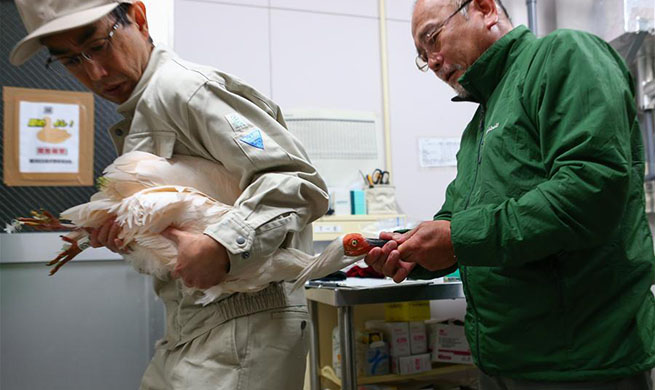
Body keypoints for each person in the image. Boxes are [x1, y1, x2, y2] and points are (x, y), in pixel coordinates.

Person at [10, 1, 329, 389]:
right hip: (190, 325)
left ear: (139, 19)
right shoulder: (140, 111)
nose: (94, 72)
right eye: (70, 61)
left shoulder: (183, 90)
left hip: (243, 325)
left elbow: (295, 179)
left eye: (97, 46)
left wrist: (224, 246)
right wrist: (135, 237)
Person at [365, 0, 655, 388]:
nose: (431, 62)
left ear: (484, 9)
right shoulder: (479, 125)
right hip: (503, 360)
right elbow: (455, 218)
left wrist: (457, 239)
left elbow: (589, 192)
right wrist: (414, 254)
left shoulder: (565, 55)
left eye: (432, 38)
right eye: (422, 56)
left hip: (581, 362)